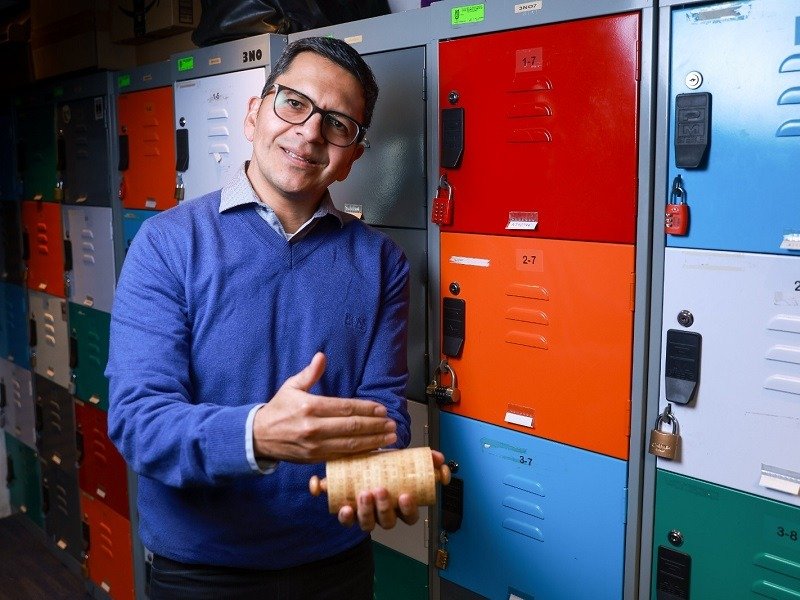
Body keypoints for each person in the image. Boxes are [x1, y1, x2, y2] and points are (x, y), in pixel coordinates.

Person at [106, 36, 444, 599]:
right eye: (293, 103)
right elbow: (139, 422)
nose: (309, 133)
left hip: (336, 566)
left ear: (353, 156)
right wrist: (257, 435)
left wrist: (381, 474)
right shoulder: (167, 244)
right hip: (201, 571)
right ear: (253, 114)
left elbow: (382, 413)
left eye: (337, 124)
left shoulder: (382, 262)